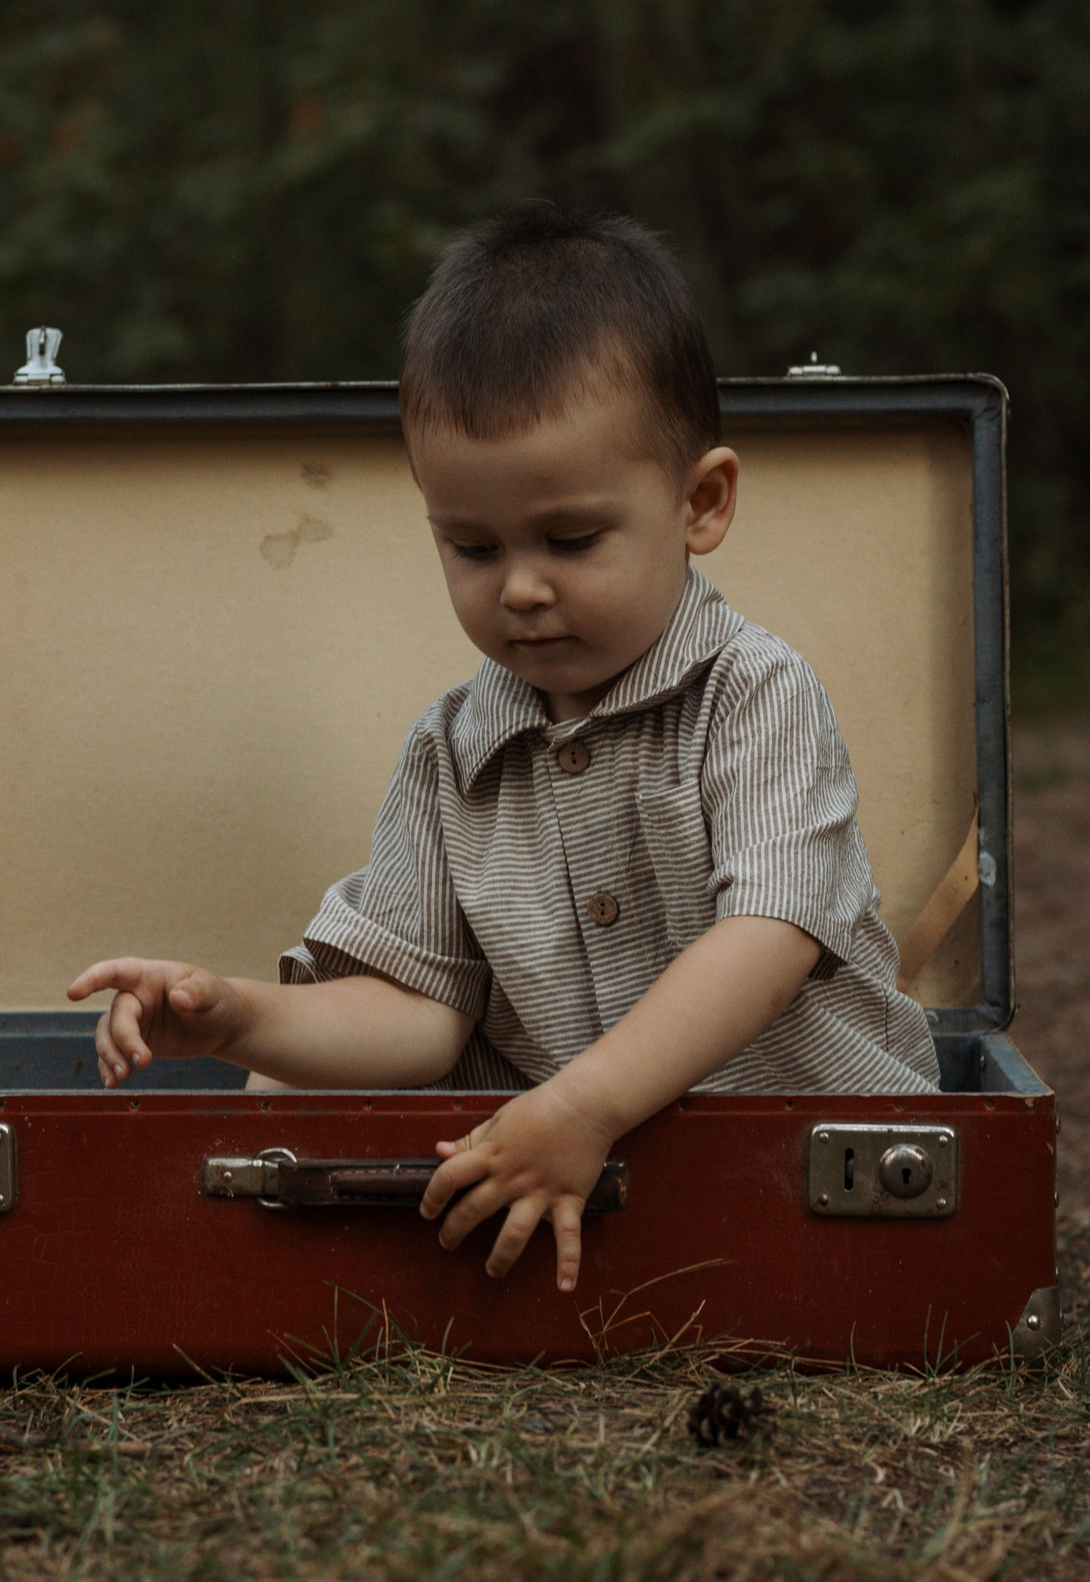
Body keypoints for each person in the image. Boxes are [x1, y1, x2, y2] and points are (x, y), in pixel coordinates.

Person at [67, 202, 939, 1293]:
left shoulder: (753, 694)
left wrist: (583, 1107)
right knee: (282, 1106)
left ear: (700, 502)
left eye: (570, 540)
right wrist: (239, 1017)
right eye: (471, 547)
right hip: (537, 1159)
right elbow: (414, 1017)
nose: (519, 588)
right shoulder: (448, 754)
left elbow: (766, 939)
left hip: (803, 1156)